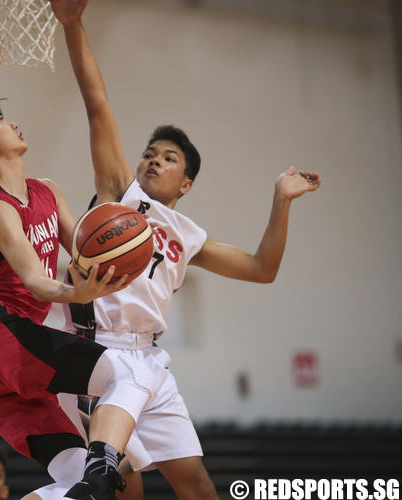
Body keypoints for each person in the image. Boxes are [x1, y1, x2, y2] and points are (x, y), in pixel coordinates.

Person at [51, 1, 322, 499]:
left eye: (168, 158)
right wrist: (73, 24)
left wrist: (281, 201)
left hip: (151, 360)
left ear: (187, 182)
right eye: (149, 154)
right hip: (100, 355)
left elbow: (263, 270)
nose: (154, 160)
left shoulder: (189, 235)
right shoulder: (119, 195)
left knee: (197, 485)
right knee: (120, 486)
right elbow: (97, 103)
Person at [0, 83, 162, 500]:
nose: (12, 121)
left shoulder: (47, 191)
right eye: (0, 119)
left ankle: (92, 481)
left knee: (85, 488)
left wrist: (120, 267)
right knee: (130, 372)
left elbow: (83, 254)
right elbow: (37, 279)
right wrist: (77, 292)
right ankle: (101, 472)